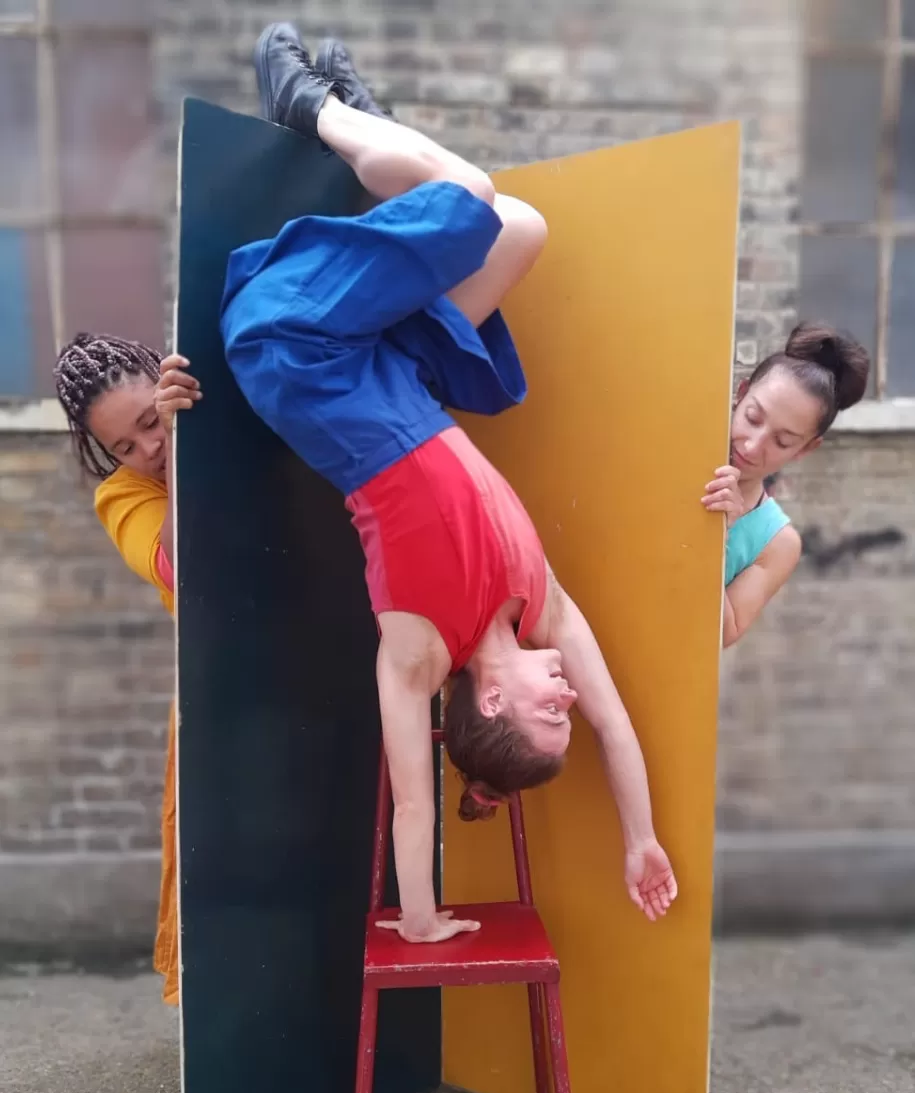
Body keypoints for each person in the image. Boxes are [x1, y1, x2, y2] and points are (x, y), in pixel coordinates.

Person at [157, 25, 678, 944]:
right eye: (566, 714)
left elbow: (410, 806)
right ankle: (376, 138)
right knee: (520, 229)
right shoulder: (541, 608)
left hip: (301, 350)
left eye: (544, 716)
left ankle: (315, 109)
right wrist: (641, 838)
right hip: (396, 374)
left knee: (468, 199)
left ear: (488, 703)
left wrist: (423, 918)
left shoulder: (415, 653)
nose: (568, 701)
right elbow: (619, 728)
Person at [53, 332, 202, 1006]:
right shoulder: (124, 496)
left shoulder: (212, 405)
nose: (148, 449)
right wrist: (181, 455)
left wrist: (198, 420)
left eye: (151, 422)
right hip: (213, 694)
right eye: (124, 446)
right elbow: (176, 564)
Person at [701, 324, 869, 647]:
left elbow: (723, 633)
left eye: (782, 440)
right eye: (752, 417)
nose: (751, 447)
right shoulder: (678, 455)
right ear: (741, 392)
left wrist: (714, 535)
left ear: (805, 449)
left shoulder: (779, 543)